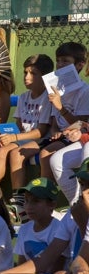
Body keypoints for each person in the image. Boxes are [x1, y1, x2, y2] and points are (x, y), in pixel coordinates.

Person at [0, 54, 54, 222]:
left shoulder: (48, 98)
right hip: (21, 138)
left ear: (45, 77)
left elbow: (40, 132)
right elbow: (20, 125)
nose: (27, 77)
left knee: (12, 153)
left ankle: (17, 202)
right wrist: (6, 135)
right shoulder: (23, 97)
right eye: (25, 72)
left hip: (39, 141)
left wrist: (14, 137)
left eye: (33, 73)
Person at [0, 178, 64, 274]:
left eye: (36, 201)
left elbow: (56, 268)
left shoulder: (59, 228)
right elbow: (22, 263)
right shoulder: (25, 228)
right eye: (26, 201)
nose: (29, 206)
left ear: (52, 205)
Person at [40, 42, 89, 183]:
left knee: (46, 154)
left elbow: (80, 124)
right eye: (58, 61)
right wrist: (55, 130)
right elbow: (55, 121)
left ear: (80, 65)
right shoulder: (57, 89)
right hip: (59, 136)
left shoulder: (84, 91)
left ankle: (46, 195)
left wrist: (61, 107)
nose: (60, 65)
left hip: (75, 135)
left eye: (65, 61)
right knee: (20, 152)